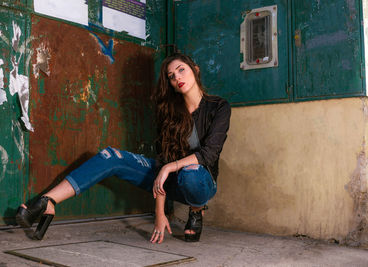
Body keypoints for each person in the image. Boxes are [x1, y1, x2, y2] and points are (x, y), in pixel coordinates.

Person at [16, 53, 231, 243]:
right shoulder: (170, 113)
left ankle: (196, 210)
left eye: (181, 70)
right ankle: (48, 201)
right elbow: (164, 160)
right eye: (171, 76)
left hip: (201, 180)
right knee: (111, 156)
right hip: (169, 180)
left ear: (195, 69)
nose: (177, 78)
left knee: (190, 172)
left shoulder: (219, 107)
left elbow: (209, 154)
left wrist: (168, 168)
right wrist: (159, 212)